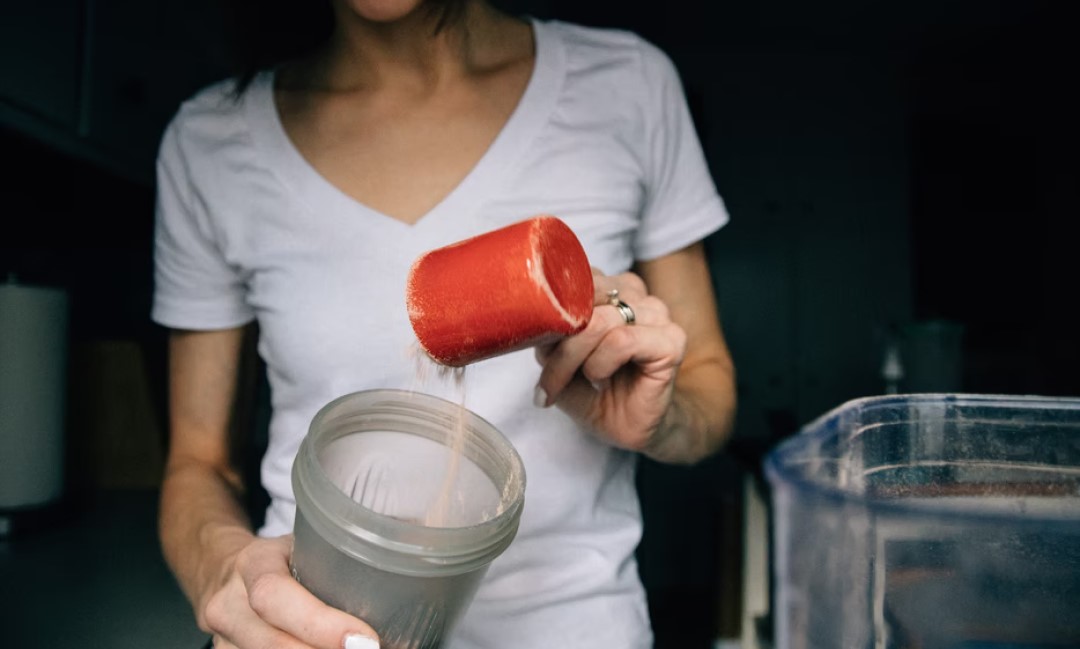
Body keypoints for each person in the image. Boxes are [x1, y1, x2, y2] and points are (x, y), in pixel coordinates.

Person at [151, 0, 737, 647]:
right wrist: (227, 570)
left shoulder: (629, 85)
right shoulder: (210, 141)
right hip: (311, 626)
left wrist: (665, 416)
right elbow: (198, 462)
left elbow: (710, 389)